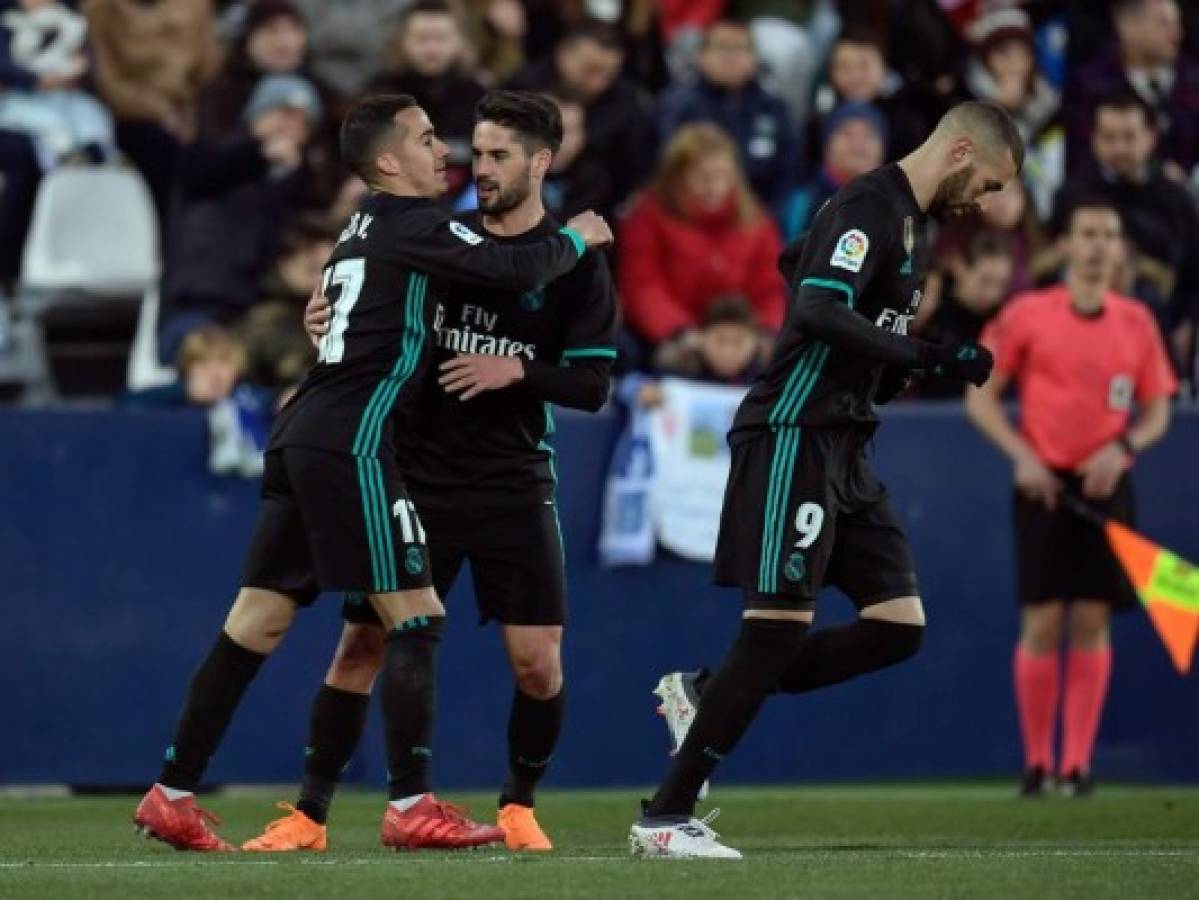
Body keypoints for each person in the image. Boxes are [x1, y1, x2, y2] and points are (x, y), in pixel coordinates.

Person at [130, 92, 612, 853]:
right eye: (429, 140)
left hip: (304, 432)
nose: (447, 154)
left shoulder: (362, 224)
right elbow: (512, 263)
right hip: (353, 440)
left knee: (258, 619)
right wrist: (580, 237)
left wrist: (318, 314)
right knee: (415, 617)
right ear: (388, 160)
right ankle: (410, 803)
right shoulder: (419, 223)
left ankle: (171, 791)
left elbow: (354, 300)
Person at [628, 100, 1021, 859]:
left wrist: (881, 366)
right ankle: (663, 817)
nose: (987, 201)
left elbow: (797, 261)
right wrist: (924, 356)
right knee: (775, 628)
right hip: (795, 434)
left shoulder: (908, 222)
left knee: (898, 626)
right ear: (962, 150)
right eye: (991, 182)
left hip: (845, 444)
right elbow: (813, 305)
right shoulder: (871, 204)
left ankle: (704, 695)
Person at [964, 196, 1175, 797]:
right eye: (1087, 233)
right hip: (1044, 485)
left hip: (1107, 484)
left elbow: (1159, 408)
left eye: (1109, 234)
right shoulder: (1028, 313)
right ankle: (1036, 763)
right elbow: (980, 395)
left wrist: (1124, 448)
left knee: (1091, 617)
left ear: (1121, 249)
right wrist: (1022, 455)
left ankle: (1077, 764)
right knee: (1043, 617)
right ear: (1066, 244)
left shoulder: (1137, 321)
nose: (1098, 245)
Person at [1052, 90, 1199, 383]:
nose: (1119, 148)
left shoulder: (1175, 197)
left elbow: (1194, 271)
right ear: (1094, 138)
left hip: (1162, 326)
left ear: (1150, 137)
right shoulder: (1072, 194)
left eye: (1129, 137)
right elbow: (1049, 267)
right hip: (1080, 324)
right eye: (1109, 137)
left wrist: (1188, 322)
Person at [618, 123, 786, 355]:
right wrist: (681, 333)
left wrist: (762, 334)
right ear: (677, 177)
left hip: (741, 343)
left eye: (723, 176)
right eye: (704, 177)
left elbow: (770, 290)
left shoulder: (756, 221)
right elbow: (643, 287)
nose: (715, 187)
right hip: (671, 340)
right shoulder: (648, 217)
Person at [82, 0, 222, 224]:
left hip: (186, 113)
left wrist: (189, 116)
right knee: (157, 148)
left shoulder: (196, 6)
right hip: (125, 119)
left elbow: (207, 70)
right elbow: (107, 82)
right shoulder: (100, 8)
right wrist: (161, 112)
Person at [505, 18, 656, 213]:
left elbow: (634, 172)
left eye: (609, 76)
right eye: (591, 70)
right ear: (563, 55)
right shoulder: (521, 90)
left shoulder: (626, 104)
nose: (599, 84)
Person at [656, 18, 798, 217]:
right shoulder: (676, 105)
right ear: (701, 56)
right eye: (721, 47)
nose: (731, 57)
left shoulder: (774, 108)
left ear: (755, 59)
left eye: (740, 48)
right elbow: (666, 170)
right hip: (685, 217)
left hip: (756, 223)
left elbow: (787, 173)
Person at [1064, 0, 1199, 181]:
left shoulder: (1193, 80)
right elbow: (1078, 162)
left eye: (1177, 23)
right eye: (1163, 24)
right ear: (1127, 27)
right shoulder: (1088, 87)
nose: (1176, 33)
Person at [368, 1, 487, 200]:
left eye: (441, 38)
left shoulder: (478, 95)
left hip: (467, 199)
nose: (431, 49)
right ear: (402, 42)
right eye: (421, 39)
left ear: (459, 41)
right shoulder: (381, 94)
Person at [783, 100, 886, 241]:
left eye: (869, 135)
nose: (858, 144)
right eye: (847, 133)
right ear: (827, 145)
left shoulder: (895, 205)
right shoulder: (800, 205)